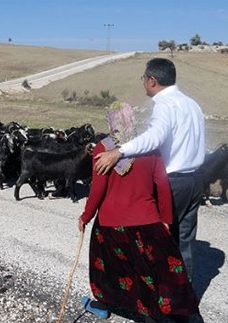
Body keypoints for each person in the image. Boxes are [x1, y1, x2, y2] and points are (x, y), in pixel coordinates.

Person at [78, 101, 201, 322]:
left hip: (111, 224)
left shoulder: (103, 148)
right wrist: (165, 219)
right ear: (132, 119)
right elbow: (162, 185)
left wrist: (85, 216)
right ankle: (171, 310)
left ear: (111, 120)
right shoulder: (148, 147)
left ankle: (106, 304)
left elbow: (97, 189)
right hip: (148, 221)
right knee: (155, 269)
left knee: (107, 267)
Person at [94, 58, 205, 281]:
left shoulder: (165, 104)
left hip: (174, 183)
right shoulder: (191, 103)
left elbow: (155, 138)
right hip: (195, 180)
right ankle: (186, 301)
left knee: (162, 243)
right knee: (185, 241)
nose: (143, 82)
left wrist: (119, 151)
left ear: (152, 80)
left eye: (144, 78)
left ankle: (164, 301)